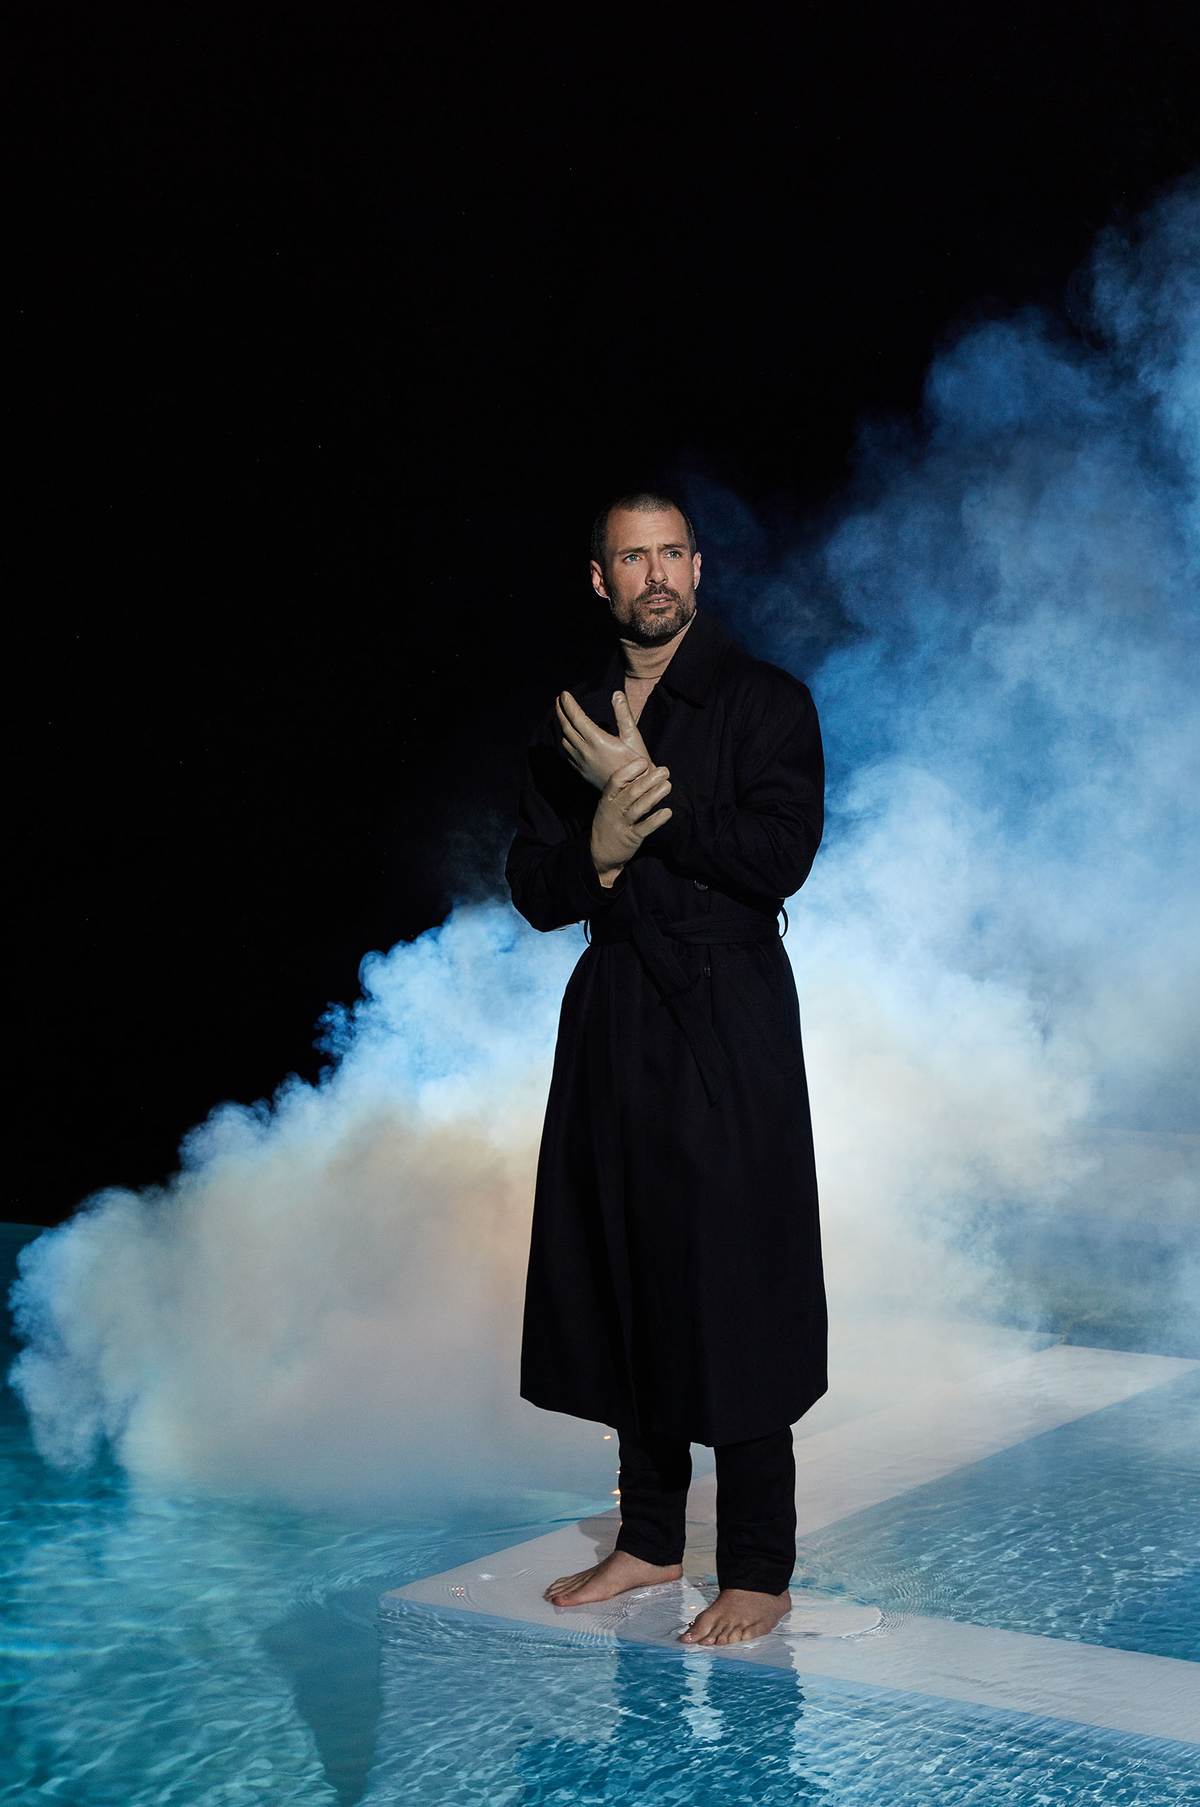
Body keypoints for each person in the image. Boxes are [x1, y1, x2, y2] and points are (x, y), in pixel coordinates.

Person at [505, 490, 827, 1646]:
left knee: (735, 1276)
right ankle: (648, 1537)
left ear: (700, 567)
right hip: (615, 1009)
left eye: (671, 555)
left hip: (727, 1008)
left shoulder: (764, 701)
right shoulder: (570, 714)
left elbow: (778, 858)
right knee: (624, 1264)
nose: (654, 576)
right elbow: (535, 885)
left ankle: (758, 1564)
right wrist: (593, 852)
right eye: (630, 558)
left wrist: (650, 793)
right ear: (600, 578)